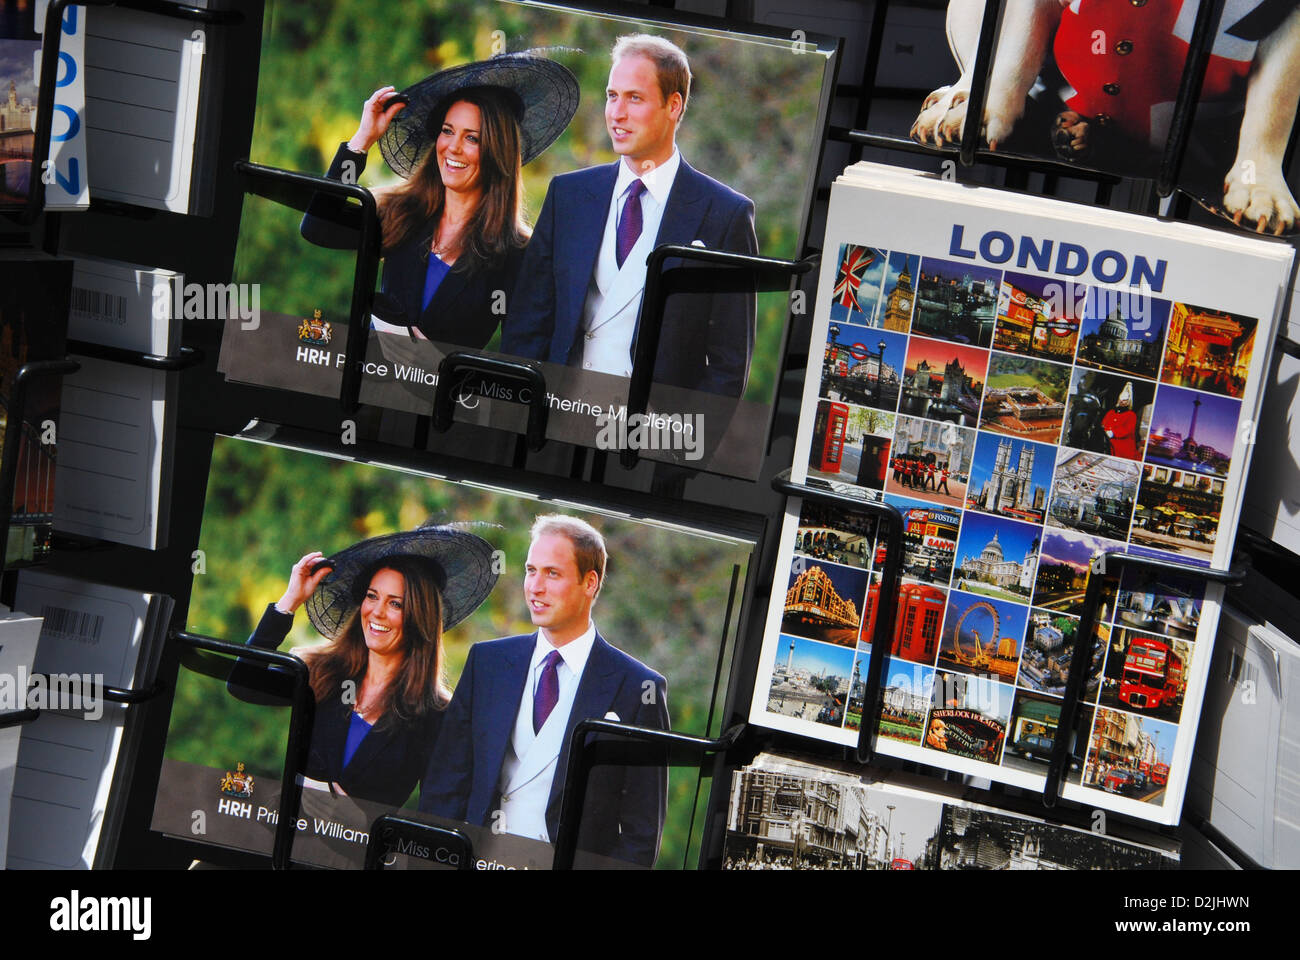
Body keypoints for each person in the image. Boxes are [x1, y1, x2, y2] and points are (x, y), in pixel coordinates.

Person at [500, 34, 759, 396]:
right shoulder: (568, 195)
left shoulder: (725, 214)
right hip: (555, 420)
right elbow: (528, 322)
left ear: (674, 105)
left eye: (634, 98)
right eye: (612, 96)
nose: (616, 113)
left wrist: (676, 447)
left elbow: (728, 364)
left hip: (649, 435)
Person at [420, 514, 670, 866]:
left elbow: (640, 833)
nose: (535, 587)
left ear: (590, 583)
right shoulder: (487, 662)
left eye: (552, 573)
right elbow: (445, 784)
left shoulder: (637, 687)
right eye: (530, 570)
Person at [301, 53, 579, 348]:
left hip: (444, 392)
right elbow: (318, 227)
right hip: (368, 382)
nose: (453, 148)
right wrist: (361, 141)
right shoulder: (402, 214)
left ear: (497, 152)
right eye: (447, 131)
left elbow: (525, 351)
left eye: (472, 138)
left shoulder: (517, 254)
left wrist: (440, 367)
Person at [228, 523, 499, 808]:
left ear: (419, 617)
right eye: (372, 596)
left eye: (396, 604)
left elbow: (439, 810)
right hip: (283, 834)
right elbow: (243, 684)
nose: (377, 612)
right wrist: (288, 603)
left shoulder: (437, 715)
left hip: (357, 850)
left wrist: (362, 823)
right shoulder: (321, 671)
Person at [1102, 381, 1139, 459]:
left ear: (1128, 401)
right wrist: (1105, 430)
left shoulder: (1131, 415)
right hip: (1106, 439)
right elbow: (1104, 423)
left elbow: (1127, 429)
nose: (1122, 402)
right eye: (1121, 399)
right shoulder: (1111, 412)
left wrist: (1113, 433)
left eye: (1124, 400)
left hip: (1122, 444)